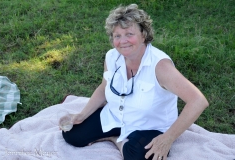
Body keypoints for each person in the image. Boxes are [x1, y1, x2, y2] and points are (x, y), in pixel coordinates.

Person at [61, 4, 209, 160]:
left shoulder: (160, 66)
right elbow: (104, 87)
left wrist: (167, 139)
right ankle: (117, 136)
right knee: (71, 134)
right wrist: (82, 115)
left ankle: (114, 139)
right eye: (117, 36)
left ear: (143, 35)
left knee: (139, 156)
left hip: (149, 126)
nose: (123, 41)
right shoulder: (112, 57)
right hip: (116, 116)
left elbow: (198, 101)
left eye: (129, 34)